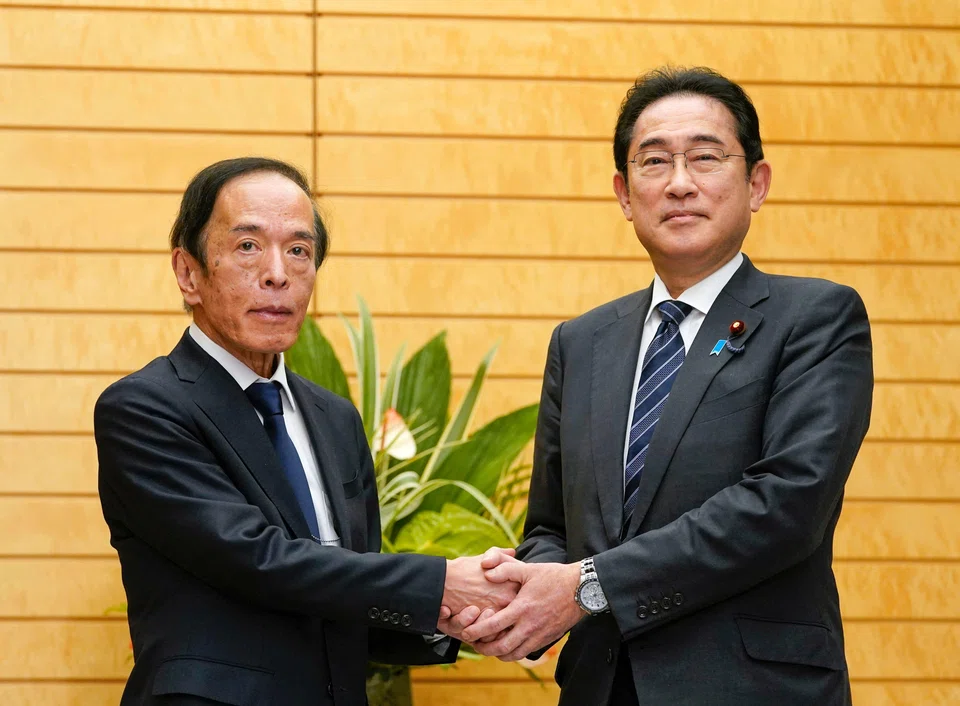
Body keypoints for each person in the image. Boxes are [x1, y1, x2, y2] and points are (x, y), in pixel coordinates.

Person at [457, 66, 873, 705]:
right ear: (625, 194)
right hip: (602, 687)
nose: (680, 184)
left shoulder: (814, 318)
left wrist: (586, 586)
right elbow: (554, 526)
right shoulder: (582, 342)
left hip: (753, 687)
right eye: (655, 163)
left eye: (705, 157)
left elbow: (787, 506)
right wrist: (520, 589)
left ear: (755, 183)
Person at [95, 157, 515, 706]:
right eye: (248, 246)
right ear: (188, 272)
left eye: (299, 250)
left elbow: (343, 592)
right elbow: (258, 561)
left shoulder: (336, 419)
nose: (278, 273)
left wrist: (452, 617)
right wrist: (440, 583)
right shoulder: (145, 408)